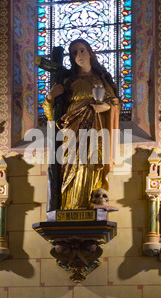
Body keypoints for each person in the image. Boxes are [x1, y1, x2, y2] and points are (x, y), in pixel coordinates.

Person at [42, 39, 121, 210]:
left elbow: (114, 103)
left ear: (90, 52)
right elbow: (52, 115)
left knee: (92, 165)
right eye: (74, 52)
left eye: (82, 50)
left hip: (96, 131)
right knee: (71, 168)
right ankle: (70, 207)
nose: (78, 55)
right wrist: (50, 97)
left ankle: (92, 204)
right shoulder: (68, 81)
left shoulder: (101, 80)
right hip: (72, 130)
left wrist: (106, 106)